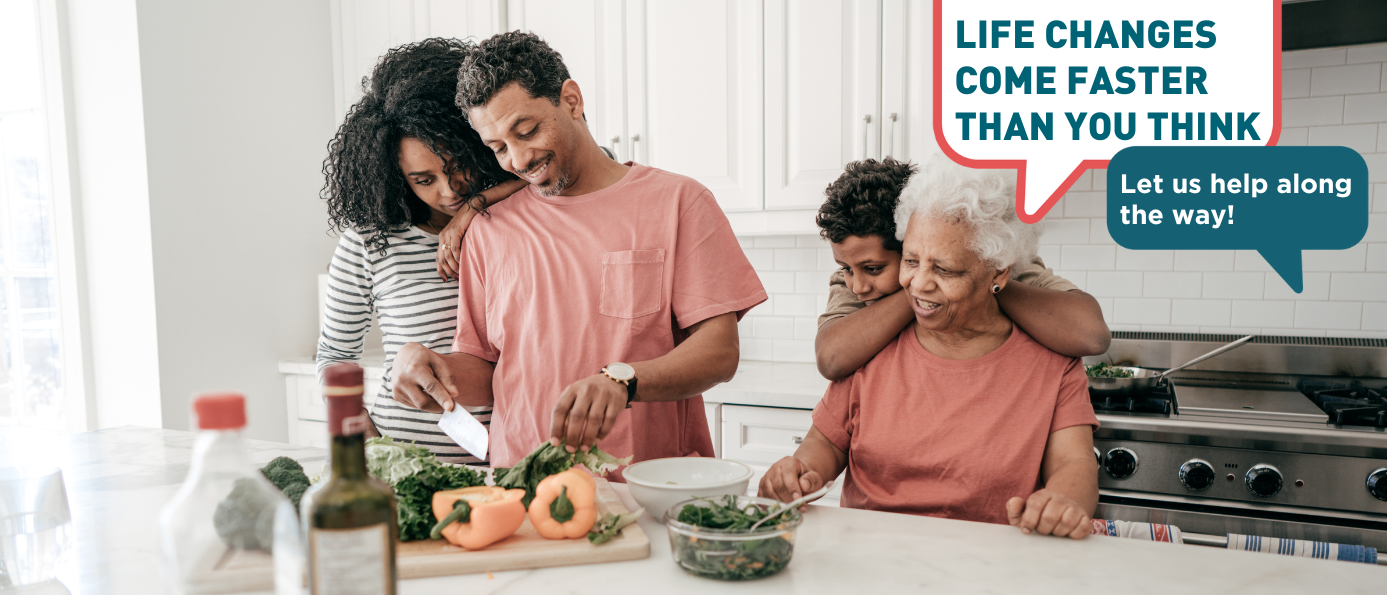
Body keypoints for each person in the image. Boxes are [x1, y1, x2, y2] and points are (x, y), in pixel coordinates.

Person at [390, 32, 766, 472]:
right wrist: (433, 372)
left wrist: (623, 382)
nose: (518, 159)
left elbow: (719, 353)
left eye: (526, 131)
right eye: (498, 148)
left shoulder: (679, 202)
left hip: (649, 485)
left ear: (571, 100)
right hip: (524, 488)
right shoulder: (488, 230)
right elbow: (490, 371)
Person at [760, 156, 1100, 540]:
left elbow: (1075, 464)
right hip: (871, 561)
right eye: (910, 261)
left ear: (999, 272)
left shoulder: (1051, 356)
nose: (918, 284)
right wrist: (798, 473)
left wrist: (1062, 503)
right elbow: (823, 443)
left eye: (945, 269)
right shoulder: (868, 341)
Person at [317, 38, 526, 464]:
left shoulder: (517, 216)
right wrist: (375, 451)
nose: (449, 191)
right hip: (406, 462)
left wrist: (476, 206)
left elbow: (593, 163)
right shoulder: (370, 240)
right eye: (423, 179)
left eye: (455, 166)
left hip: (506, 465)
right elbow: (335, 359)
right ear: (396, 176)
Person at [814, 159, 1110, 380]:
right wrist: (925, 291)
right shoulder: (855, 278)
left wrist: (977, 280)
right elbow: (832, 358)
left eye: (874, 269)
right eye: (847, 269)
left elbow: (1091, 335)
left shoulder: (992, 259)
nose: (858, 286)